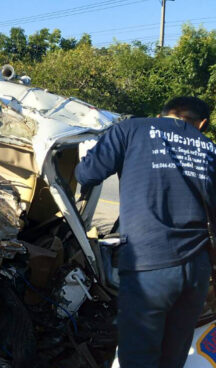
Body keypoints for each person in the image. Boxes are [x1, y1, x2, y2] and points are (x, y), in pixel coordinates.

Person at [75, 96, 215, 368]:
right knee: (172, 359)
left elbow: (87, 175)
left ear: (162, 115)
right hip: (197, 271)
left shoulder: (131, 129)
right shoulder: (210, 148)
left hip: (148, 266)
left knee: (138, 359)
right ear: (202, 124)